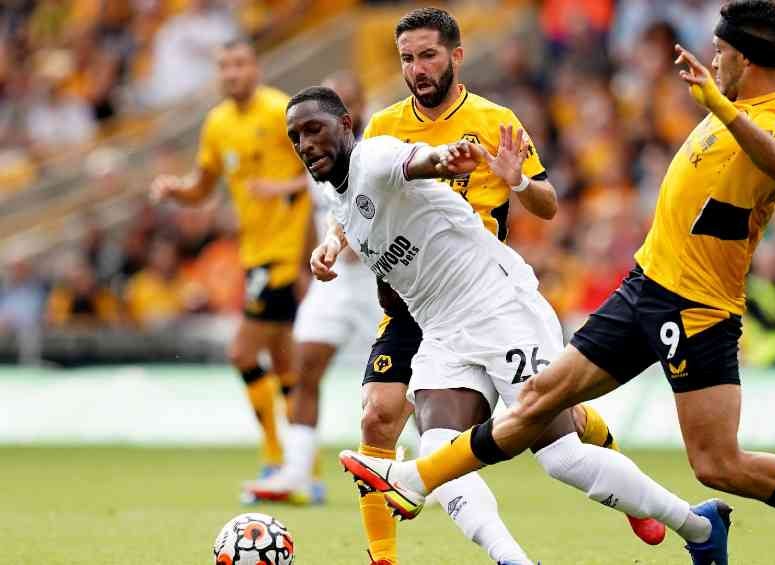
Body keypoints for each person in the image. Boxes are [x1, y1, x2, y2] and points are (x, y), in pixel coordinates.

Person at [339, 2, 775, 565]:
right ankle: (415, 480)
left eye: (720, 53)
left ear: (744, 61)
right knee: (542, 398)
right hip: (645, 282)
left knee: (719, 463)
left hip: (696, 306)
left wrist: (719, 104)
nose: (712, 61)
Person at [289, 86, 724, 565]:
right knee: (437, 453)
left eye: (314, 129)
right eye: (296, 137)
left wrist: (447, 158)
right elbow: (351, 216)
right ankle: (513, 561)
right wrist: (330, 246)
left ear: (346, 126)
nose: (306, 143)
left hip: (499, 308)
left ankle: (699, 525)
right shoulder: (343, 199)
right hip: (442, 330)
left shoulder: (375, 156)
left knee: (561, 459)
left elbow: (418, 162)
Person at [316, 9, 659, 565]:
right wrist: (334, 241)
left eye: (427, 55)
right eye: (406, 58)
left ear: (455, 55)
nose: (417, 69)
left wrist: (516, 178)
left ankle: (631, 495)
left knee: (553, 423)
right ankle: (383, 558)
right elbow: (355, 202)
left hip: (477, 289)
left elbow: (547, 206)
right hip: (408, 297)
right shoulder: (383, 127)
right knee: (377, 415)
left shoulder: (494, 118)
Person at [150, 38, 311, 491]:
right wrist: (174, 191)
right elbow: (202, 187)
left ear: (256, 68)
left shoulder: (283, 112)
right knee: (282, 362)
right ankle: (305, 471)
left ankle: (277, 457)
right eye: (224, 66)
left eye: (240, 64)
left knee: (241, 352)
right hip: (253, 254)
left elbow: (325, 170)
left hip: (282, 254)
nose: (232, 74)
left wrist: (283, 194)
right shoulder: (217, 123)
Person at [243, 72, 383, 505]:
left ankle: (428, 469)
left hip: (385, 280)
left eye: (345, 100)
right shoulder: (314, 152)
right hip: (335, 283)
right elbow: (315, 209)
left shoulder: (378, 150)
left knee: (408, 383)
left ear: (355, 109)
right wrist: (309, 263)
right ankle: (298, 472)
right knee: (305, 367)